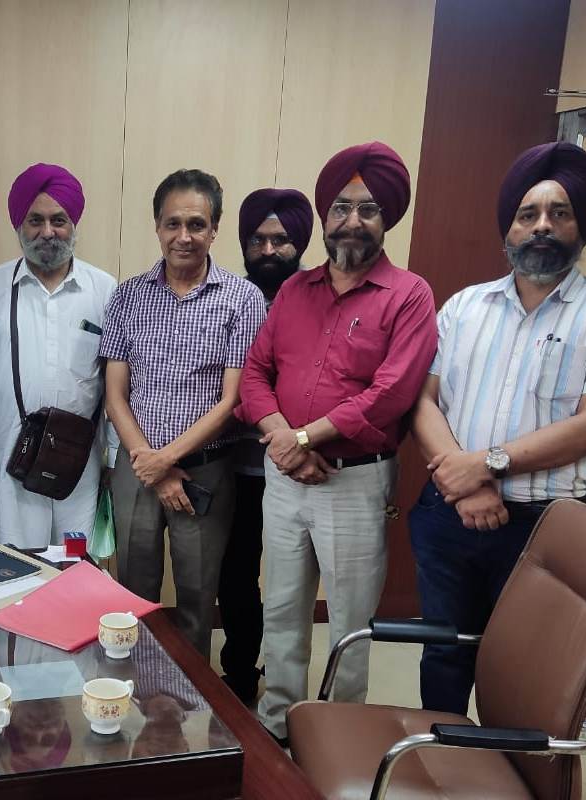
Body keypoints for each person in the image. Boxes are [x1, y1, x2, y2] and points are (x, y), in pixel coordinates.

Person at [409, 141, 586, 715]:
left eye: (558, 213)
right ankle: (442, 755)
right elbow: (422, 401)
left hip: (546, 528)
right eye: (528, 214)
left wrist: (484, 465)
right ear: (509, 229)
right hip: (449, 517)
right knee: (442, 654)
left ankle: (508, 765)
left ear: (580, 226)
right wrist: (465, 486)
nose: (542, 225)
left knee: (524, 669)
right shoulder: (463, 307)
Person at [237, 142, 438, 744]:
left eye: (368, 209)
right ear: (324, 216)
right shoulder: (294, 291)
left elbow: (391, 392)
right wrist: (285, 441)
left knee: (350, 620)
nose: (353, 220)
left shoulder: (409, 295)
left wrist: (302, 437)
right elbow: (255, 374)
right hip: (284, 479)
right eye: (342, 208)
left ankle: (342, 738)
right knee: (282, 609)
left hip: (353, 482)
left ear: (386, 218)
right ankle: (278, 723)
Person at [100, 169, 266, 658]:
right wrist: (149, 463)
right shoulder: (128, 295)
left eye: (197, 224)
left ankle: (190, 694)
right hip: (136, 469)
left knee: (196, 597)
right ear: (157, 227)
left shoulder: (242, 299)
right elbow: (115, 395)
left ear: (214, 230)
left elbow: (233, 401)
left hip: (206, 473)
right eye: (173, 224)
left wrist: (166, 461)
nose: (184, 236)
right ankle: (131, 683)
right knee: (133, 593)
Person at [0, 163, 116, 548]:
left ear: (74, 225)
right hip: (10, 457)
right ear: (19, 225)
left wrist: (112, 456)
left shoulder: (104, 289)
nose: (47, 232)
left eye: (58, 220)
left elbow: (116, 383)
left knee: (76, 565)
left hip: (80, 465)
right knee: (13, 565)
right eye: (35, 220)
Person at [217, 187, 313, 705]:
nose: (269, 250)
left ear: (300, 242)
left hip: (298, 466)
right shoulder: (228, 298)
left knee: (288, 582)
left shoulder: (318, 299)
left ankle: (284, 687)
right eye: (257, 239)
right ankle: (239, 675)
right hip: (233, 466)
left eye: (280, 239)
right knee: (234, 575)